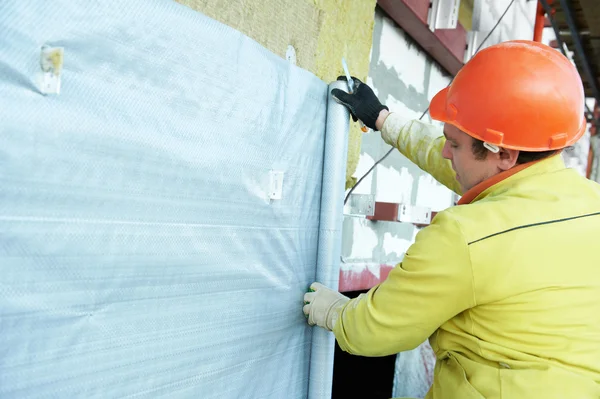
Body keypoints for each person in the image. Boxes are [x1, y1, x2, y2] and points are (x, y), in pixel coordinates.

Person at [302, 40, 600, 398]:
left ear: (504, 153)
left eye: (454, 145)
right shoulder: (588, 201)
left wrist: (334, 311)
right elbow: (467, 164)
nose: (446, 152)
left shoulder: (466, 237)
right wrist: (384, 120)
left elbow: (375, 329)